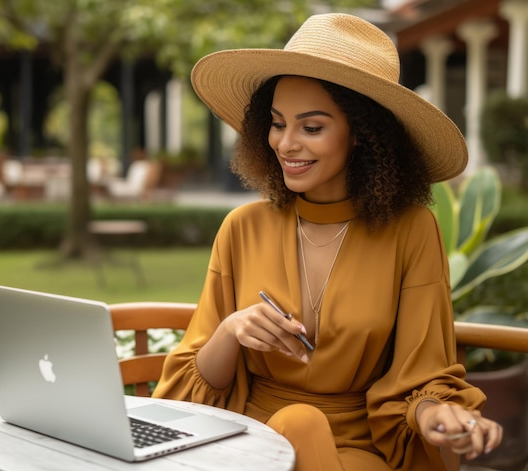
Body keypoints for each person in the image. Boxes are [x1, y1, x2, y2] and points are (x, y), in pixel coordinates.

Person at [152, 13, 503, 470]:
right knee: (296, 421)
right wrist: (232, 330)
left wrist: (440, 414)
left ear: (362, 135)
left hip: (361, 449)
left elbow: (422, 373)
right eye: (277, 123)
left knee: (303, 424)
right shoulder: (242, 227)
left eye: (311, 127)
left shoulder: (412, 230)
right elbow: (188, 388)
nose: (285, 144)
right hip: (251, 441)